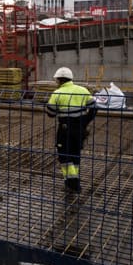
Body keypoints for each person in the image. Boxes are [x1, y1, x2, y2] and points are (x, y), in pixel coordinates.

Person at [46, 67, 96, 197]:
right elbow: (94, 108)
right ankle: (71, 182)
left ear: (59, 80)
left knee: (64, 156)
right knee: (75, 155)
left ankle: (73, 184)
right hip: (79, 129)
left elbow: (50, 113)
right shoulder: (83, 90)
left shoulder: (57, 93)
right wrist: (84, 121)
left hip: (65, 129)